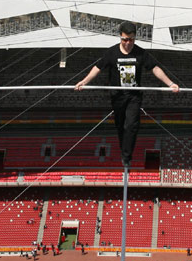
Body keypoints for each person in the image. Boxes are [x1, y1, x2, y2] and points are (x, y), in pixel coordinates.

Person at [75, 22, 179, 165]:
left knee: (131, 125)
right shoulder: (112, 53)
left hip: (133, 96)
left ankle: (126, 157)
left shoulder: (140, 53)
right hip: (117, 96)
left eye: (131, 40)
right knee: (120, 126)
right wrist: (84, 82)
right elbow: (98, 68)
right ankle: (124, 151)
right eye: (125, 40)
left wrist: (170, 84)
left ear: (135, 38)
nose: (128, 43)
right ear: (120, 37)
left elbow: (155, 68)